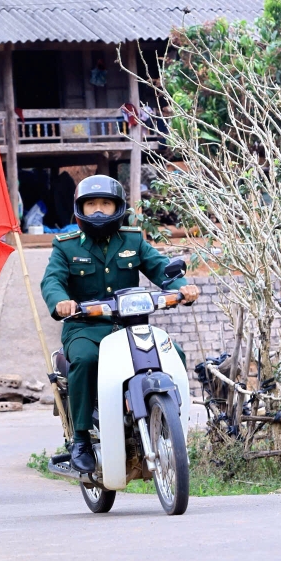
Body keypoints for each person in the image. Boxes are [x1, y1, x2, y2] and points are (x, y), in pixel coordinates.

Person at [40, 175, 199, 474]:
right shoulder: (66, 246)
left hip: (130, 326)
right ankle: (82, 439)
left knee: (173, 351)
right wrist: (61, 301)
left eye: (105, 203)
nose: (98, 211)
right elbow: (52, 280)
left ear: (118, 207)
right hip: (86, 328)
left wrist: (183, 286)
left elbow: (161, 268)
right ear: (80, 210)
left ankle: (173, 422)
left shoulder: (133, 239)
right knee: (86, 360)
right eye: (91, 204)